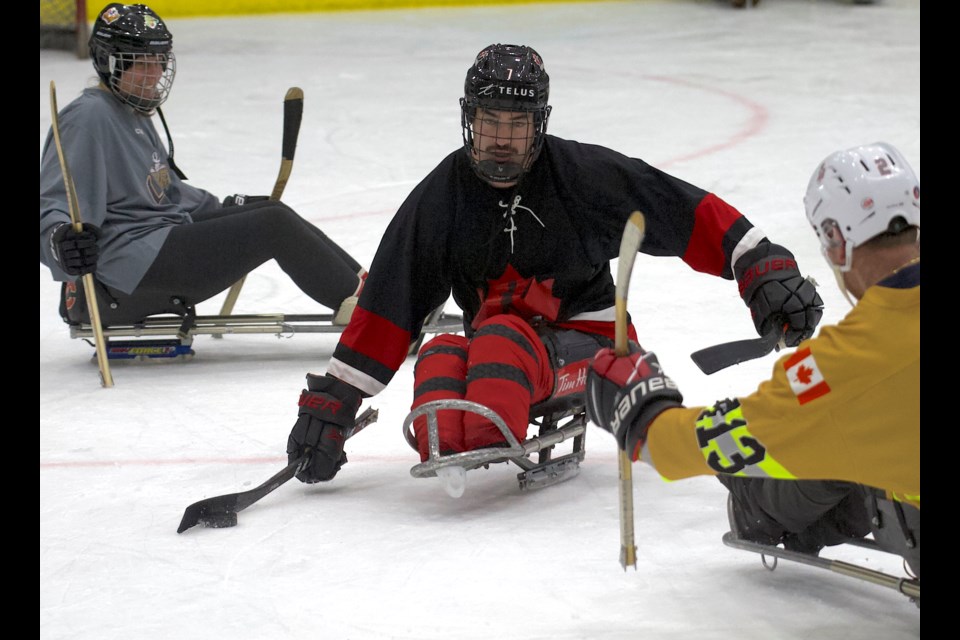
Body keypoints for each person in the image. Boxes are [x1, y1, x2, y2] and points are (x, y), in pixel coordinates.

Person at [285, 43, 823, 490]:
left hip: (593, 349)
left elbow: (679, 210)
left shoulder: (582, 176)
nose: (500, 137)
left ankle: (496, 408)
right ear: (468, 119)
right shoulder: (444, 193)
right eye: (488, 119)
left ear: (538, 124)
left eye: (515, 124)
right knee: (443, 356)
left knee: (496, 341)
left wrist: (762, 266)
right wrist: (337, 397)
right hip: (505, 351)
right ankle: (475, 425)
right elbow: (391, 295)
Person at [586, 142, 919, 577]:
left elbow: (719, 441)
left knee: (791, 465)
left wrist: (641, 415)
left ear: (837, 241)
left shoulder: (847, 364)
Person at [39, 3, 366, 328]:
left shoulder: (130, 110)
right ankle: (373, 317)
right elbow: (55, 202)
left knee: (270, 209)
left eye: (159, 62)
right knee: (272, 224)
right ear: (109, 62)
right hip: (128, 271)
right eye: (141, 63)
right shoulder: (87, 119)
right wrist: (60, 238)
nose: (154, 74)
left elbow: (166, 192)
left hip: (157, 244)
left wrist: (222, 206)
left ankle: (368, 288)